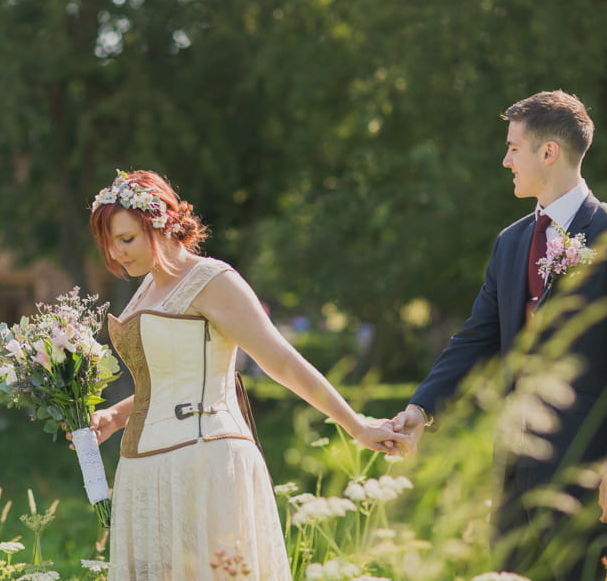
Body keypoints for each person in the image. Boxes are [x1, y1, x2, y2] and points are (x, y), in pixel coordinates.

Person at [85, 170, 410, 580]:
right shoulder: (147, 285)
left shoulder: (211, 280)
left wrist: (356, 425)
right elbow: (167, 378)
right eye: (109, 243)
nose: (116, 254)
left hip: (203, 460)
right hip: (142, 468)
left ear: (161, 225)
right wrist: (115, 417)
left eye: (126, 239)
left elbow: (282, 361)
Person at [391, 91, 607, 581]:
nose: (505, 160)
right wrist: (421, 407)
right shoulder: (511, 241)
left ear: (548, 152)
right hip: (514, 467)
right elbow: (478, 336)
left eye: (514, 148)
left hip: (586, 472)